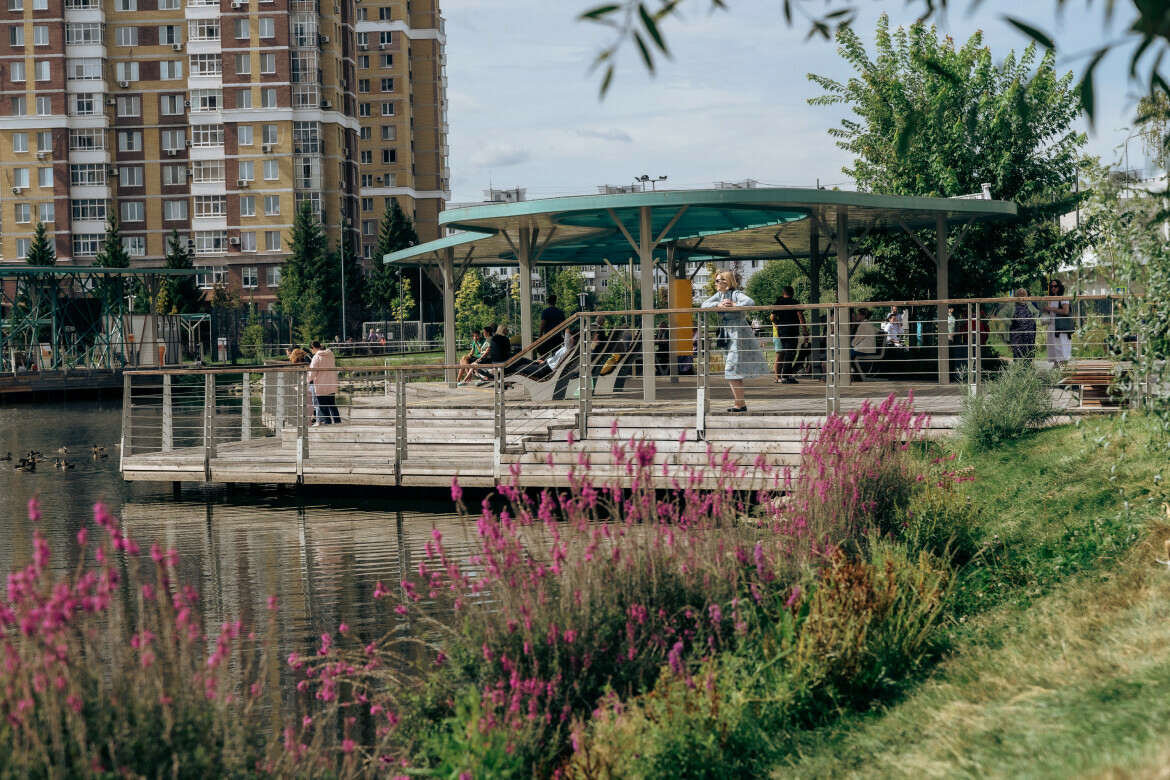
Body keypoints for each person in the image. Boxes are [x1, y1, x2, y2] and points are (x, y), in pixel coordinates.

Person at [700, 270, 765, 413]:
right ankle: (740, 404)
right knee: (734, 369)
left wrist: (734, 305)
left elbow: (750, 302)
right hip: (727, 334)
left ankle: (739, 404)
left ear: (726, 282)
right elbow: (703, 305)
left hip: (738, 332)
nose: (715, 283)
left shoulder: (735, 293)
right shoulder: (720, 295)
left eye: (718, 281)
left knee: (731, 368)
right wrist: (718, 306)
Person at [770, 286, 807, 384]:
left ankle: (785, 376)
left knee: (787, 353)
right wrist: (804, 330)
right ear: (792, 293)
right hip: (792, 330)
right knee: (790, 353)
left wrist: (778, 325)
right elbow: (800, 316)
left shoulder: (778, 303)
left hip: (782, 331)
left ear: (783, 292)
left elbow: (772, 317)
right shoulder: (795, 302)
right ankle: (786, 376)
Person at [1041, 278, 1072, 367]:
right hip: (1052, 325)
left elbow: (1065, 311)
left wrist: (1050, 308)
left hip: (1061, 326)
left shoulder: (1063, 298)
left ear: (1059, 287)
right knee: (1053, 345)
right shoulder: (1052, 299)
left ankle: (1062, 364)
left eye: (1055, 286)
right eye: (1051, 286)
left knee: (1060, 345)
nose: (1053, 288)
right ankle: (1055, 365)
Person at [308, 340, 339, 425]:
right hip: (331, 383)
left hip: (321, 384)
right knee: (332, 405)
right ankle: (338, 422)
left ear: (314, 348)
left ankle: (327, 423)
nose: (312, 352)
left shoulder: (316, 357)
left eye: (311, 350)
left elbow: (312, 372)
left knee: (323, 406)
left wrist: (306, 381)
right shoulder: (330, 354)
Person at [1008, 288, 1038, 361]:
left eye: (1024, 294)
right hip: (1017, 333)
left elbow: (1037, 312)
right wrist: (1011, 323)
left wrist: (1033, 320)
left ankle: (1028, 368)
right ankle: (1018, 369)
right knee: (1017, 352)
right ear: (1016, 296)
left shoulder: (1029, 304)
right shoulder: (1012, 305)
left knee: (1028, 351)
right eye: (1020, 294)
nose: (1022, 296)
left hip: (1028, 333)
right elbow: (1004, 315)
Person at [850, 308, 878, 379]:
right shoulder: (869, 324)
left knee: (845, 353)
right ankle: (853, 372)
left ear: (863, 316)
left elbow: (856, 339)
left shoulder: (863, 325)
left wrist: (850, 345)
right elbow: (878, 330)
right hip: (869, 349)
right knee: (847, 353)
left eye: (858, 314)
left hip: (864, 350)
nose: (857, 316)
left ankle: (851, 372)